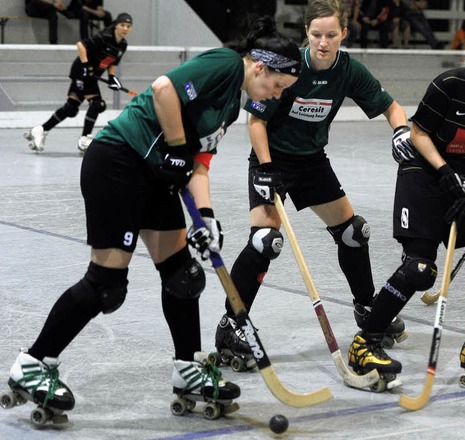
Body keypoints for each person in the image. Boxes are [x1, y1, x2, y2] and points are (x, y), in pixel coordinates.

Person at [5, 16, 301, 420]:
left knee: (183, 276)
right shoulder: (227, 65)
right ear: (261, 67)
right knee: (107, 283)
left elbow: (199, 163)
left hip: (157, 175)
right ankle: (33, 365)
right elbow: (164, 90)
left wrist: (207, 218)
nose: (275, 95)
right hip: (119, 162)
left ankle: (188, 369)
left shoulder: (233, 102)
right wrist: (177, 146)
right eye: (277, 86)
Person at [215, 0, 410, 375]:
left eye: (331, 35)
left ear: (344, 35)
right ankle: (232, 324)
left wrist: (400, 130)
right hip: (271, 158)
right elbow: (255, 123)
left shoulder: (348, 70)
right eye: (316, 34)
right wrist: (268, 169)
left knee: (354, 233)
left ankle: (367, 307)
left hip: (312, 161)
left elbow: (392, 106)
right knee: (264, 243)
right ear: (306, 33)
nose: (323, 42)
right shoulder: (290, 66)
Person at [356, 28, 465, 387]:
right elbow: (418, 132)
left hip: (464, 183)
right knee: (420, 270)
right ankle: (365, 342)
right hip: (422, 173)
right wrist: (443, 170)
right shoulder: (447, 84)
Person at [24, 13, 132, 154]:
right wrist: (88, 66)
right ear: (116, 25)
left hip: (92, 75)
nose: (125, 28)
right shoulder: (105, 36)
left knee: (71, 108)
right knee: (97, 104)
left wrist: (112, 78)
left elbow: (113, 62)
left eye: (128, 26)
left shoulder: (123, 45)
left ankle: (40, 130)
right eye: (122, 25)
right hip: (82, 70)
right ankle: (84, 138)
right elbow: (81, 46)